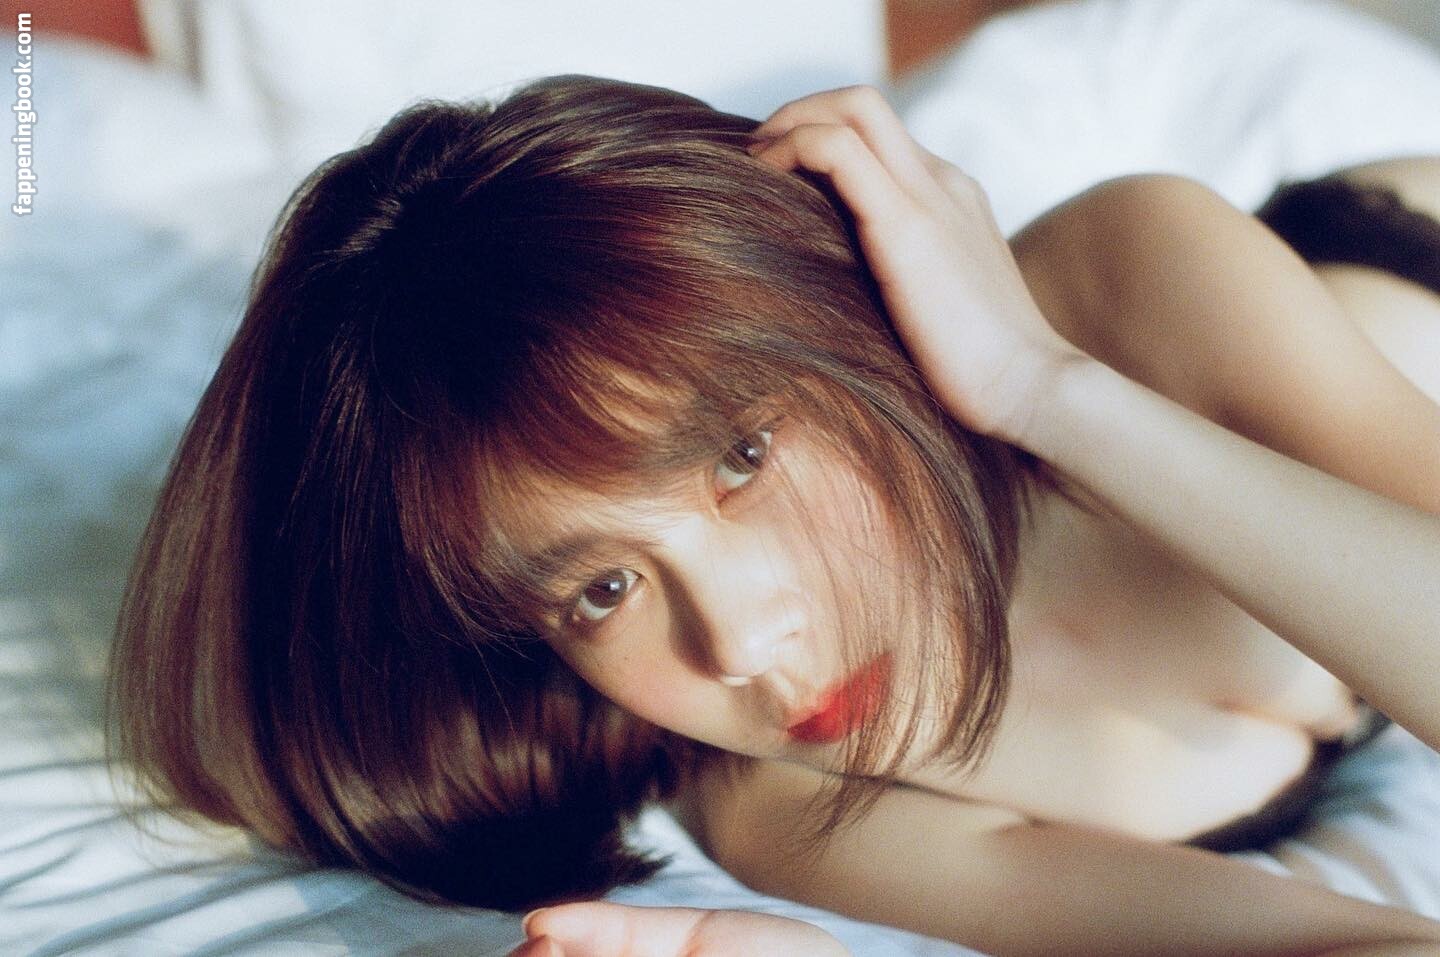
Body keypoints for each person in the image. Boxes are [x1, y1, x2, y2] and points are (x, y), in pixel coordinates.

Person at [105, 75, 1440, 956]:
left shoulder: (1118, 292)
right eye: (600, 590)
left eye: (740, 456)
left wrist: (1046, 390)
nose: (740, 644)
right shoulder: (782, 806)